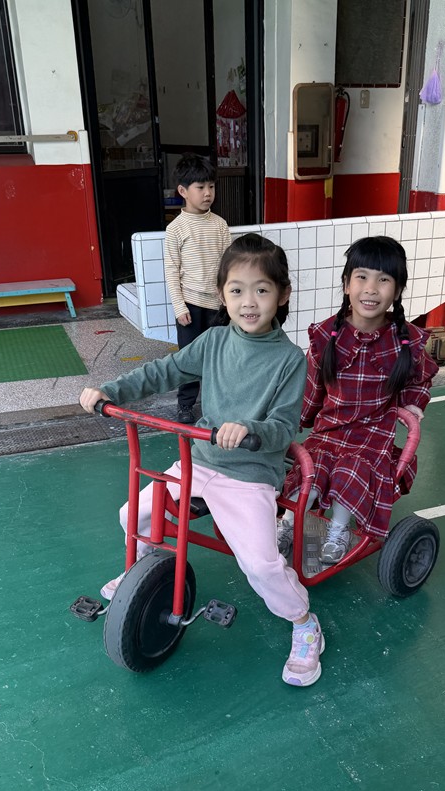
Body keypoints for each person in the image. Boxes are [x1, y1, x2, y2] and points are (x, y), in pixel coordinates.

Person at [80, 234, 325, 688]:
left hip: (249, 475)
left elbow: (283, 427)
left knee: (261, 564)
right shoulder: (213, 340)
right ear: (221, 295)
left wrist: (249, 429)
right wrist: (110, 391)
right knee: (134, 514)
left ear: (282, 294)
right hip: (198, 460)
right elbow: (164, 372)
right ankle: (144, 570)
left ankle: (303, 622)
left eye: (261, 290)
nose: (248, 302)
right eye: (237, 290)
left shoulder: (290, 360)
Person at [279, 235, 439, 564]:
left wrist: (413, 403)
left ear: (397, 291)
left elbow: (421, 377)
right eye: (362, 277)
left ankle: (338, 531)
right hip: (329, 430)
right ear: (346, 284)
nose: (371, 289)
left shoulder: (405, 341)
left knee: (351, 471)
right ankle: (288, 523)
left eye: (384, 280)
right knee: (311, 469)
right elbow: (312, 386)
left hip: (373, 436)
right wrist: (297, 419)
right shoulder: (328, 336)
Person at [164, 152, 231, 424]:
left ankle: (219, 404)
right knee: (189, 358)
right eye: (200, 187)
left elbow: (229, 267)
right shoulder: (175, 229)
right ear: (183, 191)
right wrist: (179, 306)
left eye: (211, 186)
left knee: (219, 358)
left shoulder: (220, 225)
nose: (208, 193)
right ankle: (185, 405)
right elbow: (171, 271)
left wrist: (229, 300)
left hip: (218, 305)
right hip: (190, 307)